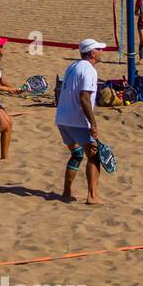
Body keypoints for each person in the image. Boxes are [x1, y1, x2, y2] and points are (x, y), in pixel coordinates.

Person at [55, 38, 106, 204]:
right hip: (78, 121)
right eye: (99, 49)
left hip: (62, 119)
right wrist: (93, 124)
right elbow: (84, 98)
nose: (101, 52)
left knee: (76, 154)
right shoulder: (90, 70)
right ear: (92, 53)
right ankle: (92, 196)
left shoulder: (72, 66)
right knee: (94, 156)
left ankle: (66, 193)